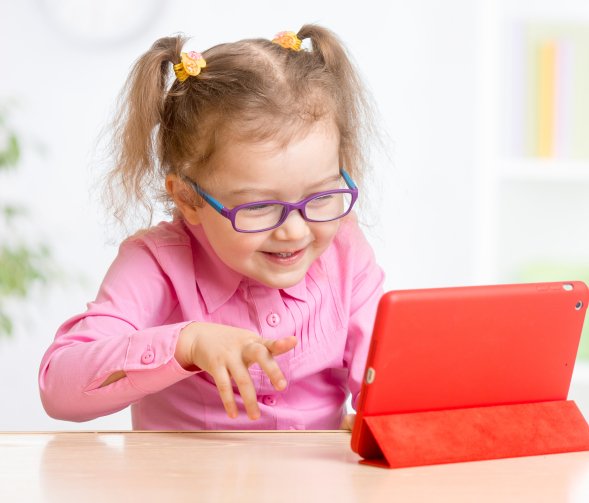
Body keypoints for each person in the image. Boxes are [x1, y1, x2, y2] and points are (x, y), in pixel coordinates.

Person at [38, 25, 385, 431]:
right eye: (260, 206)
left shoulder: (343, 248)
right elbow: (57, 387)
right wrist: (186, 343)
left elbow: (382, 378)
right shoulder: (159, 263)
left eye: (321, 197)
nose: (294, 231)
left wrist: (378, 415)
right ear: (189, 198)